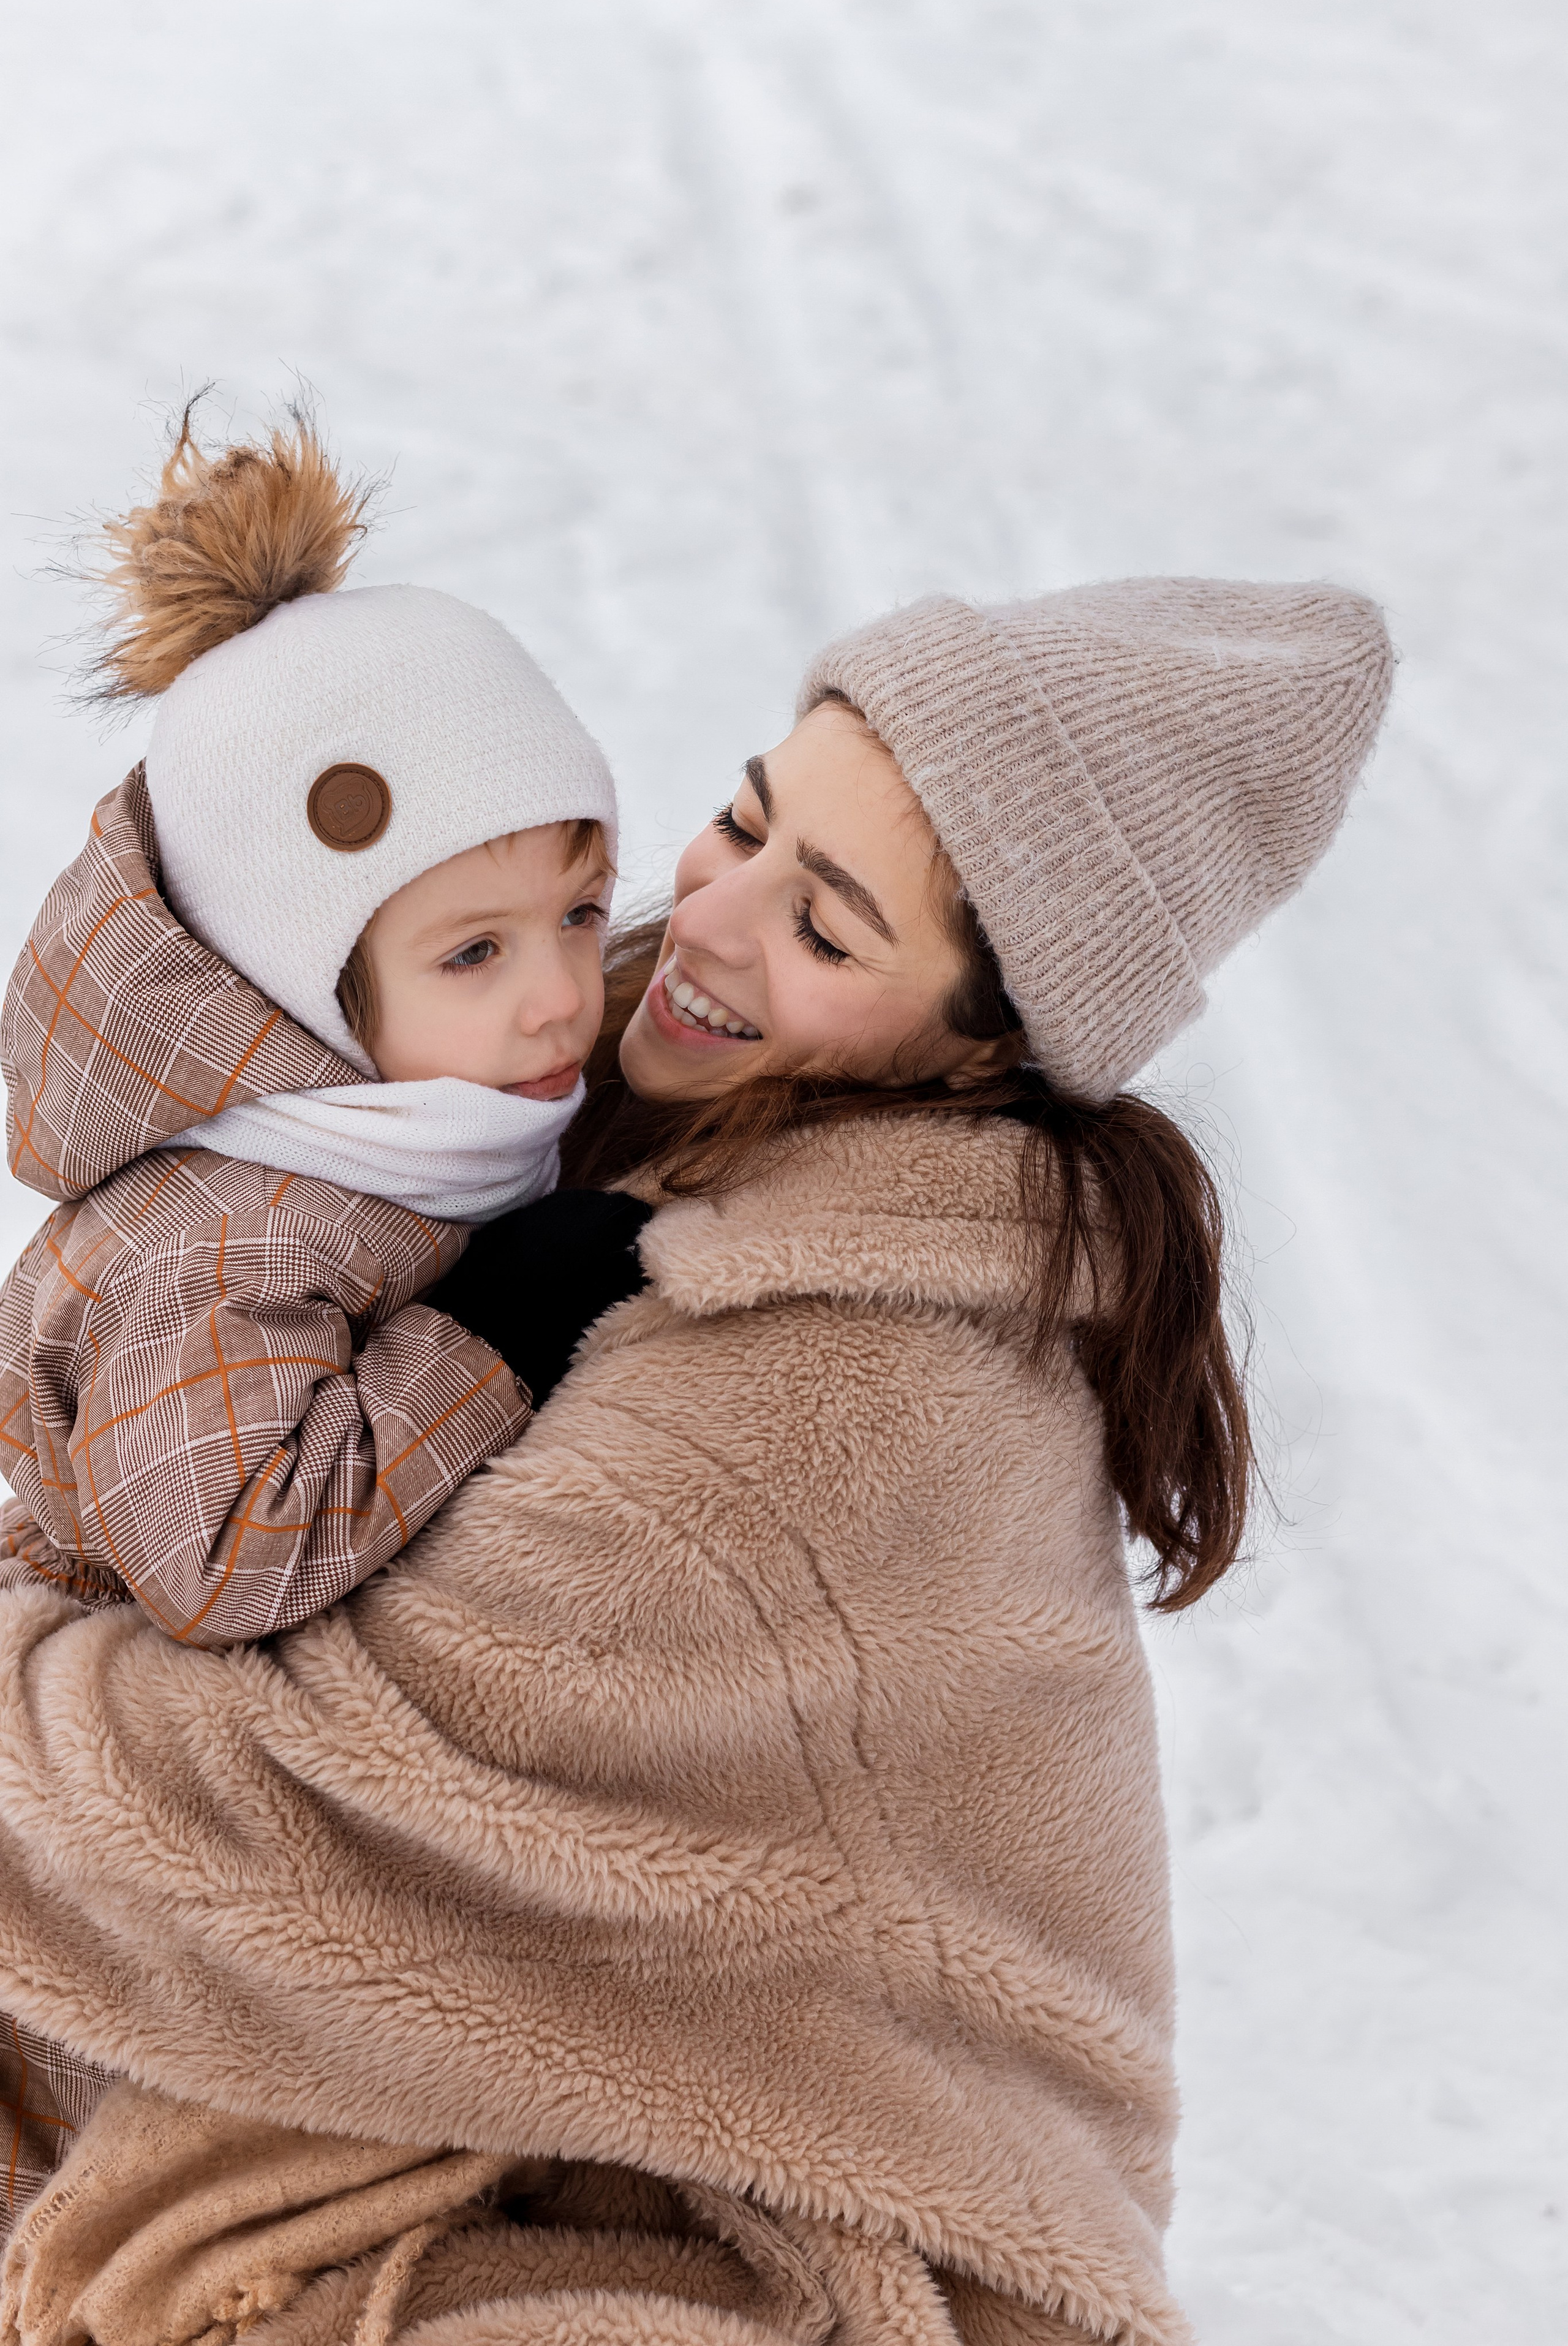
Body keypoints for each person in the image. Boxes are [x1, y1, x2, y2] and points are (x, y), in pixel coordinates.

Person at [0, 579, 1392, 2345]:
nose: (707, 921)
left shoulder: (829, 1389)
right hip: (552, 2122)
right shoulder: (585, 1093)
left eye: (824, 925)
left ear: (985, 1046)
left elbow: (271, 1811)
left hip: (771, 2243)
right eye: (745, 818)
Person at [0, 410, 623, 1652]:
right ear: (302, 986)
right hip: (116, 1692)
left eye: (580, 915)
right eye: (474, 952)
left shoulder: (421, 1126)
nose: (561, 996)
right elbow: (221, 1560)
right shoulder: (230, 1247)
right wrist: (489, 1334)